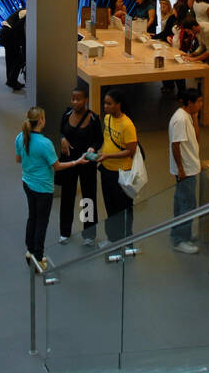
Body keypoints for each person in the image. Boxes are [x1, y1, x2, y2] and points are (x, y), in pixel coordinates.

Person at [17, 106, 90, 269]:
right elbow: (56, 166)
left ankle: (29, 251)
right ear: (41, 120)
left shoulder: (21, 137)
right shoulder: (45, 143)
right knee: (42, 222)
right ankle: (38, 257)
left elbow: (18, 158)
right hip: (43, 188)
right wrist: (76, 162)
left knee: (33, 217)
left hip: (27, 183)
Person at [58, 86, 104, 246]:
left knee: (89, 197)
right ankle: (65, 231)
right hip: (69, 163)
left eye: (78, 99)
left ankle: (89, 234)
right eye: (73, 99)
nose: (75, 102)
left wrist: (93, 148)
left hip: (86, 163)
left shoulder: (93, 119)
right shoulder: (67, 114)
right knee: (67, 197)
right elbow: (61, 131)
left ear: (86, 100)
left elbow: (99, 139)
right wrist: (62, 138)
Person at [98, 88, 140, 243]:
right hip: (106, 170)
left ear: (118, 105)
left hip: (123, 173)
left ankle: (127, 239)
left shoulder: (128, 125)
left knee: (124, 208)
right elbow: (107, 140)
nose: (106, 107)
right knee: (110, 207)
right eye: (105, 103)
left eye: (109, 104)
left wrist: (108, 155)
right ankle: (112, 238)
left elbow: (130, 151)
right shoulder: (107, 119)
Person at [168, 88, 204, 254]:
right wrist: (181, 169)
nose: (201, 104)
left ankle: (180, 232)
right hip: (186, 170)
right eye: (198, 101)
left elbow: (196, 138)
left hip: (190, 166)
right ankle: (180, 240)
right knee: (187, 204)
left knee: (182, 201)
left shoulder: (188, 116)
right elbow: (175, 145)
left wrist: (196, 118)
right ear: (189, 102)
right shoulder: (181, 120)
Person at [1, 8, 26, 91]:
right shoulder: (26, 13)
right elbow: (19, 28)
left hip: (5, 33)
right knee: (18, 59)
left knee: (10, 58)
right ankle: (12, 80)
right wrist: (23, 44)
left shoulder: (23, 11)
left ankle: (11, 80)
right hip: (10, 34)